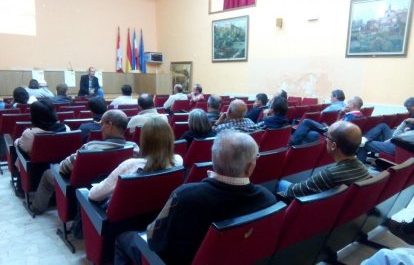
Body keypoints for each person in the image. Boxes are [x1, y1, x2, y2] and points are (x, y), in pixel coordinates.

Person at [114, 130, 277, 264]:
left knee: (123, 239)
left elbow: (153, 239)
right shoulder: (268, 199)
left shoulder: (185, 196)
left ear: (213, 160)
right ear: (250, 167)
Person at [30, 109, 139, 215]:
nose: (101, 128)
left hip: (80, 188)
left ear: (109, 125)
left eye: (102, 124)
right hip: (109, 192)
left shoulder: (90, 147)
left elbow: (64, 168)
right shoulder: (134, 148)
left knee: (48, 173)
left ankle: (36, 208)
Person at [89, 117, 183, 201]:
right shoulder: (179, 160)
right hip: (157, 213)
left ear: (144, 140)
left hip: (123, 217)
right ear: (170, 139)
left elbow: (94, 195)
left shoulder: (130, 165)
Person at [277, 121, 370, 200]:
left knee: (282, 183)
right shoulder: (363, 167)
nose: (325, 139)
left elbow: (292, 191)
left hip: (311, 205)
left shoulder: (330, 174)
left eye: (327, 137)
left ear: (333, 146)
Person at [357, 97, 414, 162]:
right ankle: (365, 138)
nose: (407, 110)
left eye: (408, 108)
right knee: (383, 126)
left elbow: (396, 136)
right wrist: (408, 130)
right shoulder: (412, 115)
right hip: (401, 140)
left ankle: (360, 168)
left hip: (399, 146)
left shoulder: (410, 120)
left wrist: (405, 122)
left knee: (364, 144)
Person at [290, 96, 364, 145]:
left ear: (352, 105)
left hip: (333, 133)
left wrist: (329, 127)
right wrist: (340, 114)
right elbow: (339, 124)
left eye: (348, 103)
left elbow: (337, 126)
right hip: (335, 130)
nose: (346, 105)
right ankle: (295, 143)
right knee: (312, 133)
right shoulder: (359, 115)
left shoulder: (351, 116)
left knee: (306, 122)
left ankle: (292, 142)